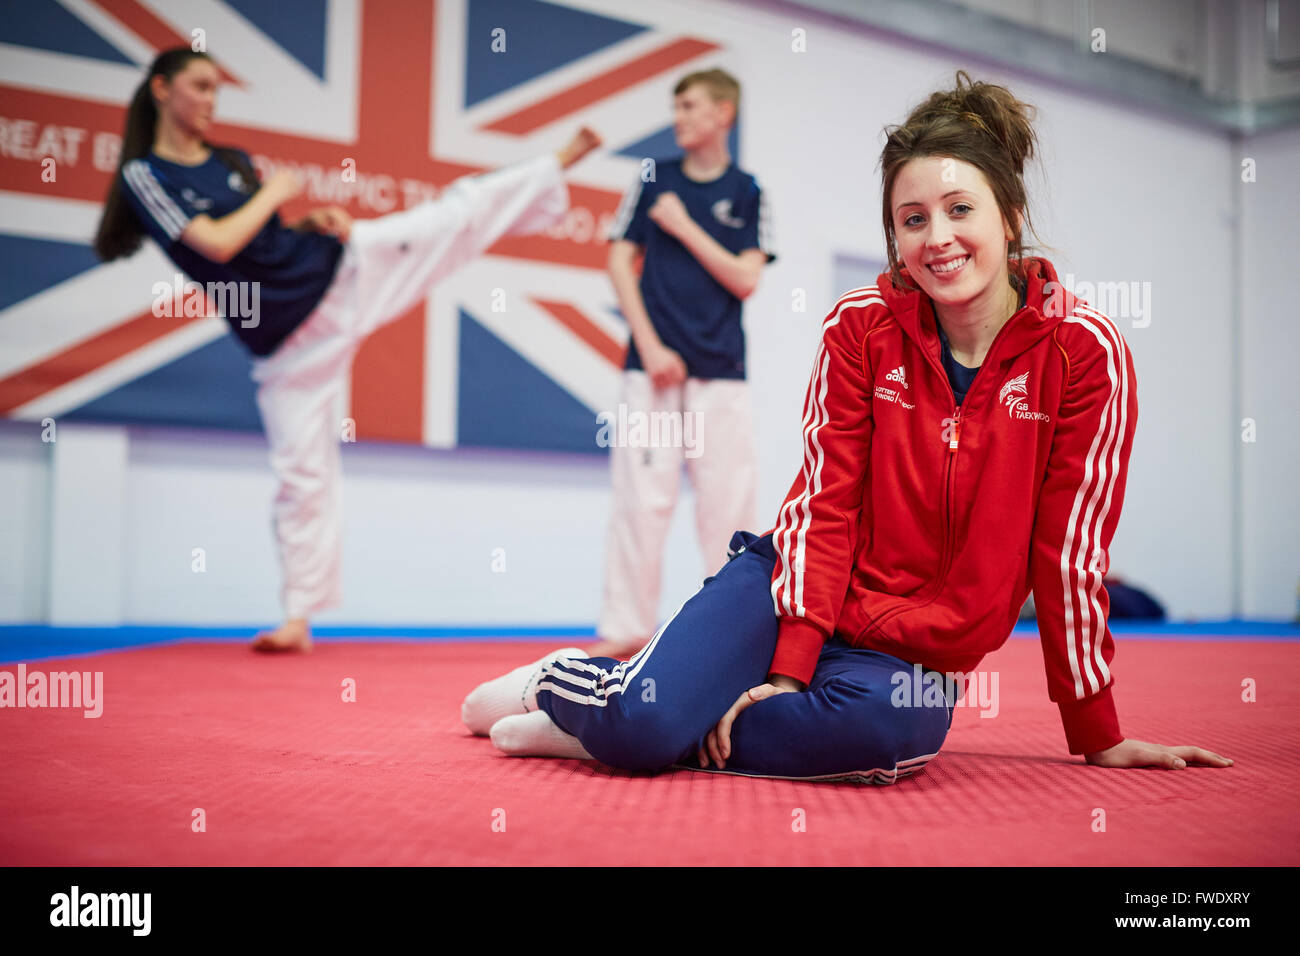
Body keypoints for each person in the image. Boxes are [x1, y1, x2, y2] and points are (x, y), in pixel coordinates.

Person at [462, 71, 1232, 780]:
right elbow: (824, 502)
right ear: (893, 233)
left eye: (962, 210)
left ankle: (644, 727)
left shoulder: (1084, 353)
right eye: (912, 218)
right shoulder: (860, 328)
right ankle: (573, 690)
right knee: (646, 725)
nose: (938, 238)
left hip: (912, 657)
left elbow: (1069, 552)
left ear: (1011, 217)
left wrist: (1096, 729)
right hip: (788, 589)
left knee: (886, 733)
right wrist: (790, 667)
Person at [94, 48, 601, 652]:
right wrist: (276, 189)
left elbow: (267, 241)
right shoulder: (146, 176)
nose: (209, 100)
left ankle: (555, 163)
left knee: (446, 221)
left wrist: (307, 220)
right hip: (283, 343)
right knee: (300, 474)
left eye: (215, 90)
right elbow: (220, 244)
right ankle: (297, 618)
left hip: (337, 273)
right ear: (160, 89)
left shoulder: (231, 161)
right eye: (199, 86)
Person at [586, 68, 776, 660]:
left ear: (724, 113)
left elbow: (746, 278)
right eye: (676, 107)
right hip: (653, 373)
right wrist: (651, 345)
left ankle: (732, 628)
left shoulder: (747, 189)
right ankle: (625, 627)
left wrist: (683, 225)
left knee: (729, 505)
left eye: (690, 106)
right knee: (641, 500)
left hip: (719, 374)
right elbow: (619, 263)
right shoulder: (652, 179)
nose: (679, 117)